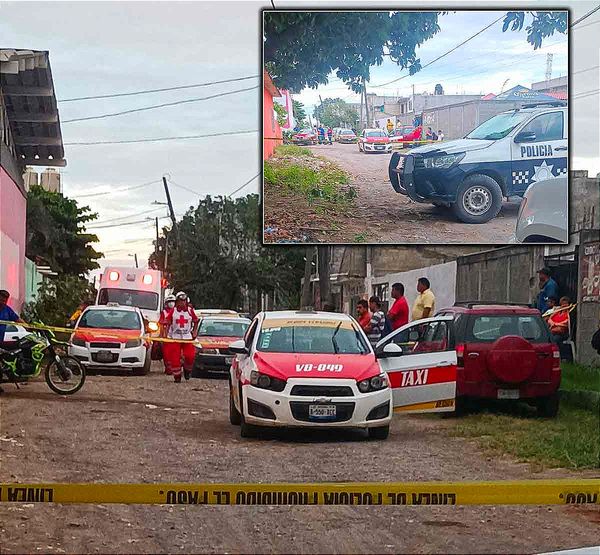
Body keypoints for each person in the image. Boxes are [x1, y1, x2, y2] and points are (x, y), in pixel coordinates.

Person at [161, 291, 199, 383]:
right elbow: (167, 322)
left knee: (190, 356)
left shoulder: (190, 310)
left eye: (184, 301)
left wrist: (194, 332)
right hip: (175, 337)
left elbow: (196, 321)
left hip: (187, 337)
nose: (182, 303)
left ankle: (187, 370)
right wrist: (165, 334)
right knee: (175, 358)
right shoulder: (173, 311)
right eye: (180, 301)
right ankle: (177, 376)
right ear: (177, 302)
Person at [157, 294, 176, 374]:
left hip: (176, 336)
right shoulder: (164, 312)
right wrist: (161, 336)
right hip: (166, 336)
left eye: (173, 302)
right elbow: (161, 324)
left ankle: (175, 368)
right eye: (170, 302)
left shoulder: (177, 311)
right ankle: (168, 368)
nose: (171, 303)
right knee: (166, 353)